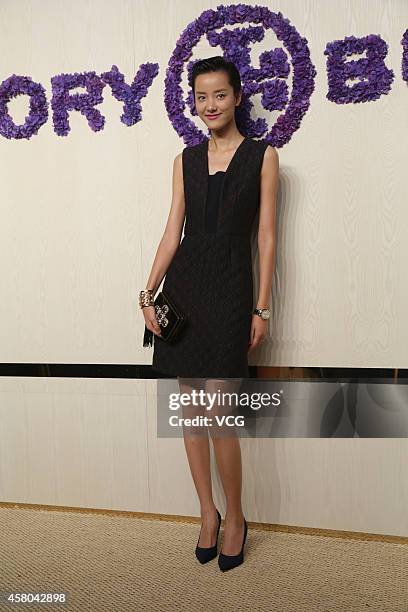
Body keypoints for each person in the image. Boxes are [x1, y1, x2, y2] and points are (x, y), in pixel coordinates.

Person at [139, 56, 279, 571]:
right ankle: (207, 514)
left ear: (237, 96)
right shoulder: (183, 160)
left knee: (220, 414)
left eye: (219, 95)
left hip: (231, 291)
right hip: (186, 292)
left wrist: (261, 307)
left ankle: (238, 517)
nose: (209, 106)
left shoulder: (264, 156)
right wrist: (148, 292)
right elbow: (171, 230)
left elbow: (266, 238)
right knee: (191, 416)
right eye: (200, 97)